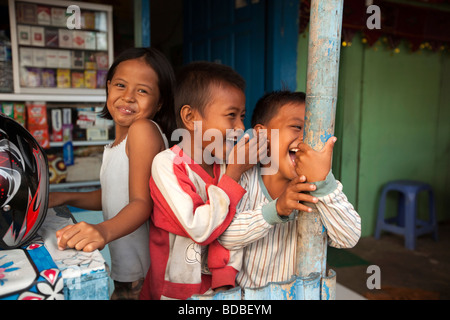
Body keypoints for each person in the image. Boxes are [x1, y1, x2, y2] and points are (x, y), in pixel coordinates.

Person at [49, 47, 177, 300]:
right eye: (120, 85)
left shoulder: (143, 130)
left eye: (142, 90)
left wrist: (102, 231)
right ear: (108, 87)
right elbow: (112, 196)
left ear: (160, 102)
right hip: (128, 272)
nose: (128, 97)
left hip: (144, 275)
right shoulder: (118, 143)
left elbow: (142, 203)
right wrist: (64, 197)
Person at [139, 61, 266, 300]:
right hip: (175, 292)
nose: (240, 127)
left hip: (219, 290)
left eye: (242, 116)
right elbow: (199, 228)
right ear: (190, 117)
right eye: (231, 115)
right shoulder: (167, 165)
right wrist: (234, 175)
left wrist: (223, 280)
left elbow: (233, 227)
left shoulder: (226, 167)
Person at [218, 90, 361, 289]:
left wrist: (323, 185)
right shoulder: (245, 178)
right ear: (261, 134)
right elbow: (223, 236)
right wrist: (275, 210)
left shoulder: (318, 186)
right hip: (248, 297)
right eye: (297, 127)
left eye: (313, 130)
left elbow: (349, 238)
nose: (307, 138)